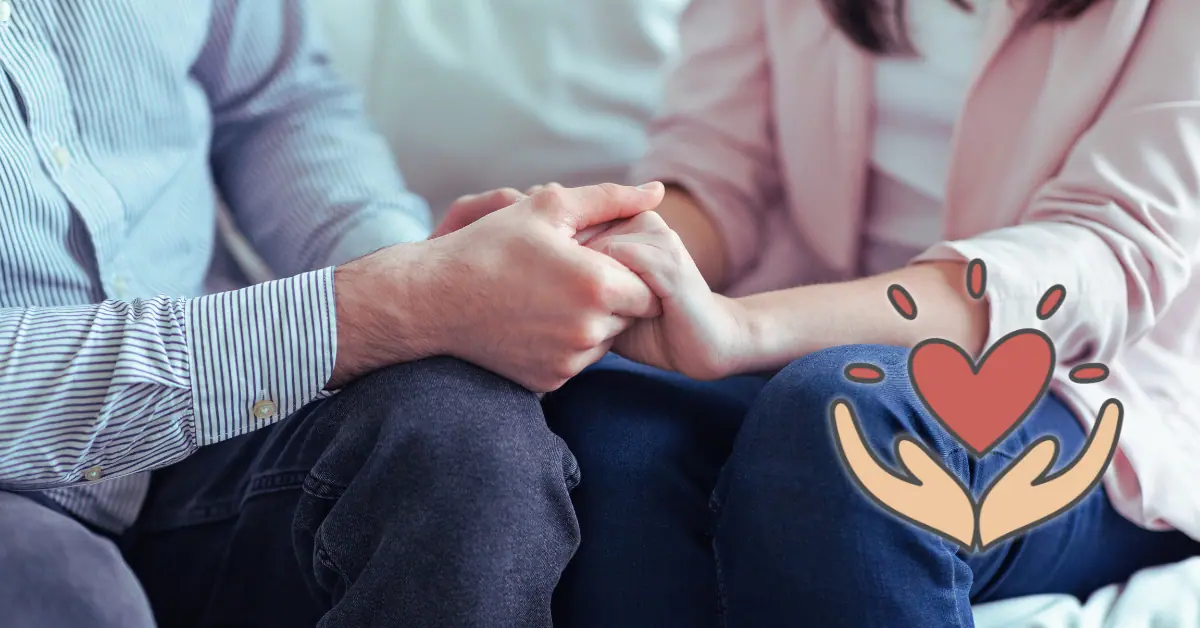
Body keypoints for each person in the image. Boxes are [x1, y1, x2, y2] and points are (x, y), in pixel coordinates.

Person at [453, 0, 1200, 625]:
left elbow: (1108, 253)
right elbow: (720, 169)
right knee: (608, 429)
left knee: (843, 428)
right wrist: (587, 247)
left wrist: (747, 330)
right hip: (793, 357)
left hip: (1089, 389)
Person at [0, 2, 669, 627]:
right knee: (67, 593)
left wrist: (412, 267)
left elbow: (271, 103)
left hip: (219, 422)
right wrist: (390, 302)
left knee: (457, 428)